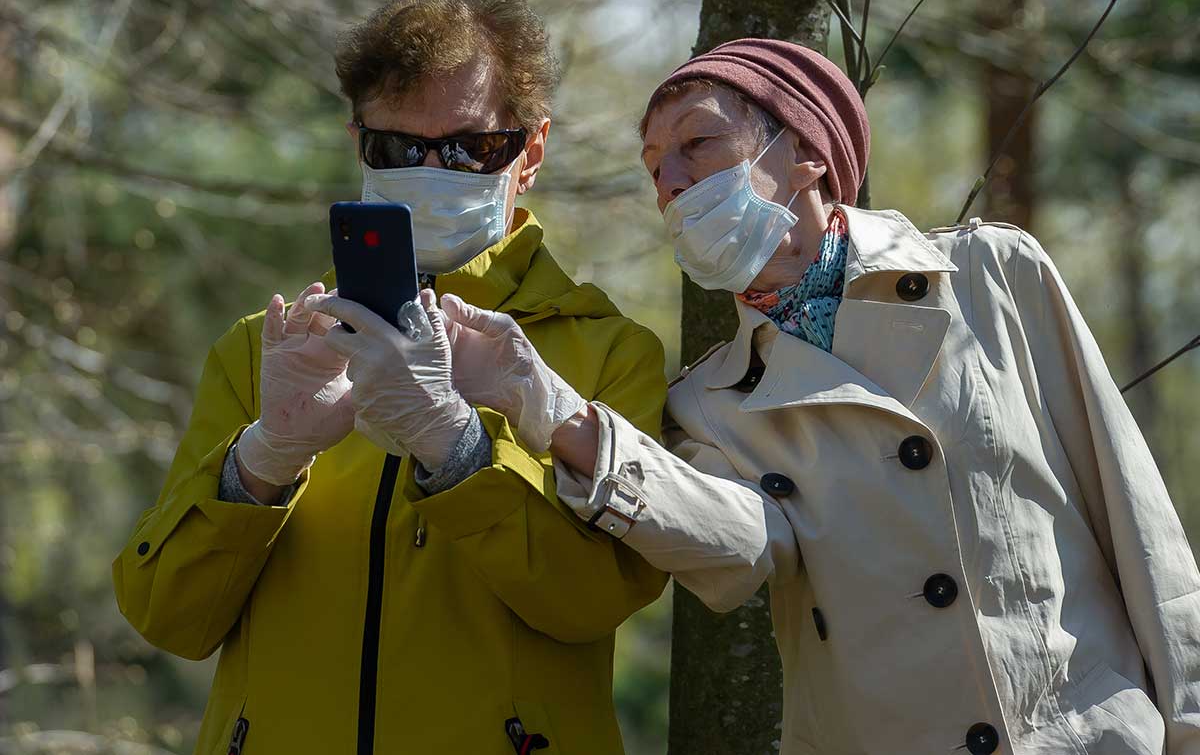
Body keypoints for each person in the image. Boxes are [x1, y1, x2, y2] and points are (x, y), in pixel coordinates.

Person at [436, 39, 1200, 755]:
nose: (669, 181)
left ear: (803, 153)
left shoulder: (992, 274)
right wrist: (539, 400)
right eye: (654, 165)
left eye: (697, 143)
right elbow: (740, 551)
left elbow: (1139, 521)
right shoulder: (708, 400)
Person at [112, 0, 667, 755]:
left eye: (472, 147)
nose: (432, 171)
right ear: (359, 146)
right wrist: (260, 463)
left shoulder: (609, 354)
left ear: (530, 150)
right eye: (400, 146)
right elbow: (166, 615)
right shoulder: (268, 345)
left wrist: (461, 453)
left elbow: (592, 600)